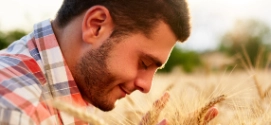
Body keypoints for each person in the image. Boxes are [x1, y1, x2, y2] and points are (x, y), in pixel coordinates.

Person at [0, 0, 218, 124]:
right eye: (144, 63)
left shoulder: (78, 82)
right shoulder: (16, 110)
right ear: (96, 26)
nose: (146, 86)